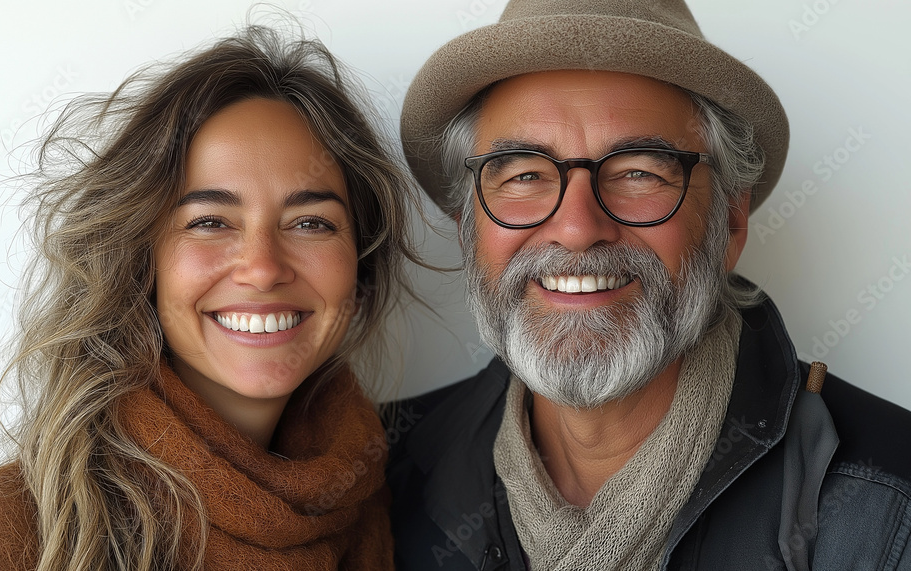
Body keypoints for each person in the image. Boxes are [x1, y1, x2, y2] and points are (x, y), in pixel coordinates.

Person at [387, 1, 911, 570]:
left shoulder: (890, 500)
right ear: (468, 232)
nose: (578, 229)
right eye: (525, 175)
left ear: (729, 224)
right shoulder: (381, 477)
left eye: (639, 172)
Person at [0, 24, 419, 571]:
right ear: (141, 260)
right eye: (209, 221)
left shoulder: (390, 496)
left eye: (309, 222)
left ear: (359, 265)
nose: (262, 268)